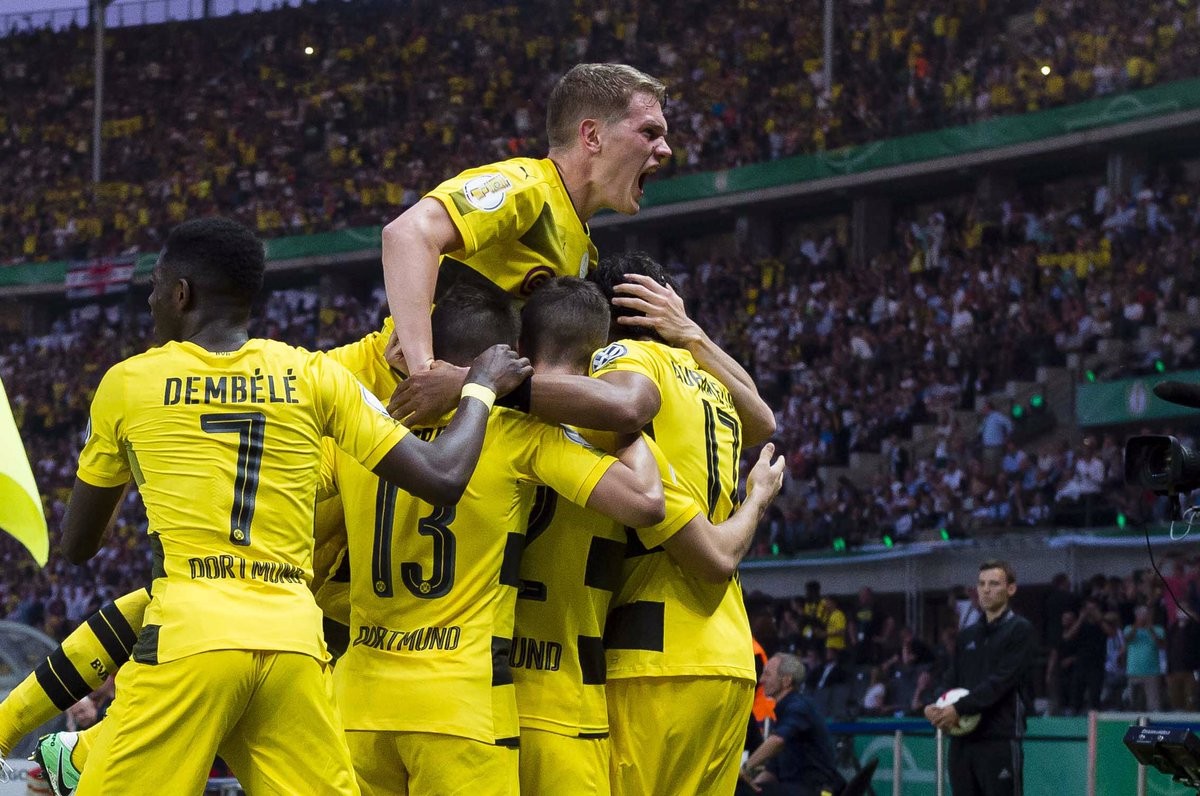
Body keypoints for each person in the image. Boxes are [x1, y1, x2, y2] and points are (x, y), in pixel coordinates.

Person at [60, 217, 530, 795]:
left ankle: (63, 754)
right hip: (292, 641)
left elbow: (78, 546)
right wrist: (479, 386)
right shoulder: (315, 375)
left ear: (180, 293)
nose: (151, 300)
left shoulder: (128, 383)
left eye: (155, 286)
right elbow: (442, 474)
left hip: (191, 635)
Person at [326, 283, 668, 796]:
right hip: (462, 705)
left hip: (358, 706)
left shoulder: (363, 425)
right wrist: (627, 426)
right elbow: (644, 502)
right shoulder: (514, 433)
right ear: (507, 360)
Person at [509, 278, 784, 795]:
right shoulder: (709, 387)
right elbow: (763, 420)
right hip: (727, 654)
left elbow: (627, 406)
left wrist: (476, 384)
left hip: (648, 659)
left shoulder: (623, 412)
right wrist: (694, 336)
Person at [382, 62, 671, 377]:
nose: (666, 150)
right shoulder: (526, 187)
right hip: (374, 384)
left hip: (454, 400)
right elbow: (407, 234)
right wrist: (423, 371)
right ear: (592, 136)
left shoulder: (583, 250)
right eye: (649, 132)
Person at [924, 560, 1035, 796]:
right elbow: (951, 678)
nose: (985, 590)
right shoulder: (967, 635)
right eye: (981, 584)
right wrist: (936, 704)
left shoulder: (1020, 630)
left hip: (999, 738)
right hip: (961, 739)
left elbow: (1001, 682)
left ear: (1011, 589)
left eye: (994, 584)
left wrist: (958, 708)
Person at [739, 653, 846, 796]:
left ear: (786, 681)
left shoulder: (799, 707)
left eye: (767, 674)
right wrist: (751, 786)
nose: (761, 679)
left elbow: (778, 740)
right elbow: (772, 771)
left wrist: (744, 768)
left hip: (813, 789)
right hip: (794, 788)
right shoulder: (785, 711)